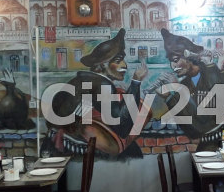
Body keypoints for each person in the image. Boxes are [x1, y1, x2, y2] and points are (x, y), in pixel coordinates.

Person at [43, 28, 149, 159]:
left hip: (55, 145)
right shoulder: (101, 84)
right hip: (79, 150)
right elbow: (122, 127)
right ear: (103, 64)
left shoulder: (80, 80)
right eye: (118, 60)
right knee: (133, 153)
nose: (124, 65)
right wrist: (136, 82)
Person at [154, 29, 224, 151]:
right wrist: (169, 97)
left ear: (189, 58)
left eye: (175, 60)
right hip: (206, 144)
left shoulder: (212, 72)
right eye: (171, 62)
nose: (173, 66)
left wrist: (178, 90)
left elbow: (203, 118)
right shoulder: (185, 84)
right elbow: (190, 126)